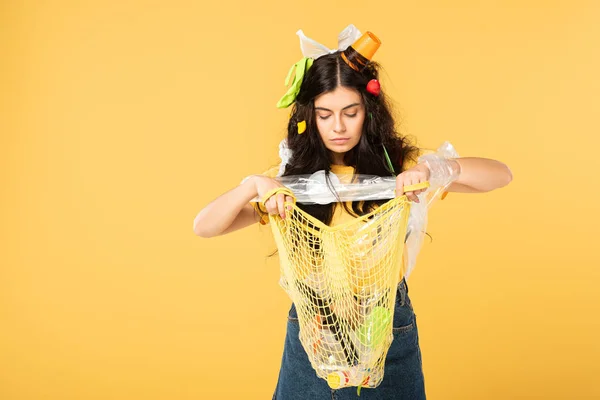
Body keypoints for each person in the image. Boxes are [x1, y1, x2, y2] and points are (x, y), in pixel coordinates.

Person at [193, 25, 513, 400]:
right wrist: (252, 186)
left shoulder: (398, 171)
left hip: (383, 324)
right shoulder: (287, 185)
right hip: (315, 328)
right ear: (309, 116)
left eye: (350, 112)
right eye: (325, 114)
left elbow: (500, 176)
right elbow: (205, 226)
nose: (339, 126)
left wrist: (435, 169)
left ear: (369, 111)